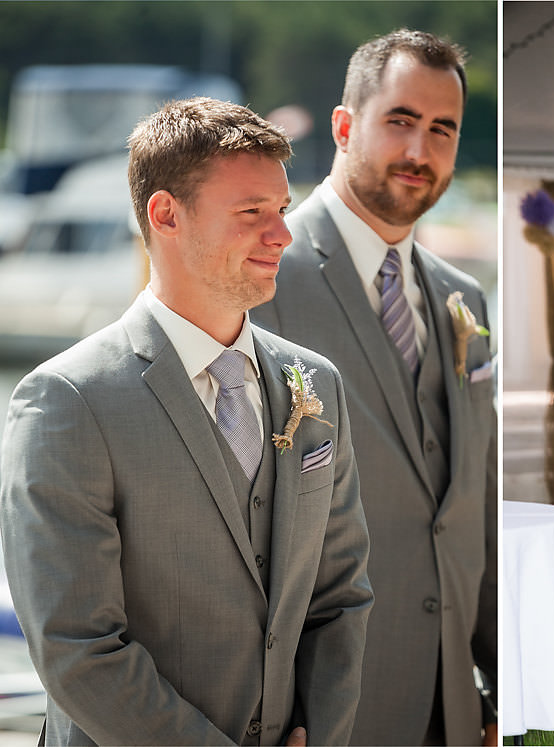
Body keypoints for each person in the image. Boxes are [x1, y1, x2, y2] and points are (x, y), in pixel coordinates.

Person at [0, 97, 373, 746]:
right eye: (252, 212)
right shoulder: (65, 400)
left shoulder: (318, 386)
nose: (282, 234)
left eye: (282, 210)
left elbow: (340, 594)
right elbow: (77, 648)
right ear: (167, 214)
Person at [252, 29, 496, 746]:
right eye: (400, 121)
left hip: (448, 705)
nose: (421, 152)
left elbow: (468, 503)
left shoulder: (464, 299)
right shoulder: (259, 280)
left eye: (442, 129)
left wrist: (490, 685)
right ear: (344, 125)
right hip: (320, 713)